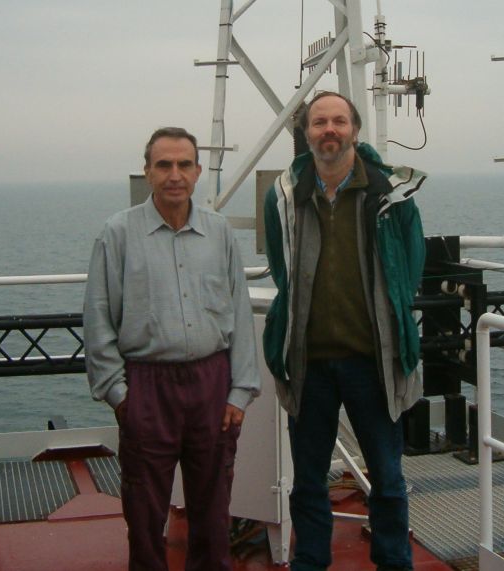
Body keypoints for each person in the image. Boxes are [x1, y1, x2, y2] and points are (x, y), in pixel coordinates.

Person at [83, 126, 261, 571]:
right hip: (147, 386)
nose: (174, 174)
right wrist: (120, 396)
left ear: (199, 171)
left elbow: (238, 313)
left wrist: (241, 391)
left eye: (184, 164)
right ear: (147, 172)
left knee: (212, 514)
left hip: (211, 385)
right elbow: (98, 317)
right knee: (144, 516)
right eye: (164, 164)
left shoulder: (219, 233)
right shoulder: (118, 234)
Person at [263, 91, 426, 571]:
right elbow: (281, 267)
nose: (328, 130)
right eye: (319, 123)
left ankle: (394, 563)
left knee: (389, 478)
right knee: (308, 481)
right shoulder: (287, 194)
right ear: (307, 133)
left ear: (354, 129)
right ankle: (310, 563)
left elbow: (409, 266)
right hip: (308, 361)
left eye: (338, 121)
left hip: (372, 359)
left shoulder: (388, 191)